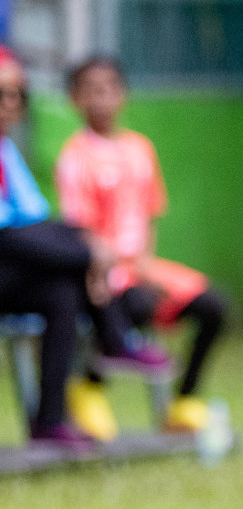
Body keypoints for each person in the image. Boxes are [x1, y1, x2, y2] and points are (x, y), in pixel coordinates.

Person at [0, 48, 165, 452]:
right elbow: (9, 234)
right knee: (73, 256)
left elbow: (36, 218)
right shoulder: (72, 155)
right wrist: (90, 255)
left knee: (64, 291)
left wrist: (90, 244)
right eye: (2, 95)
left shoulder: (6, 152)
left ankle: (50, 421)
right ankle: (115, 336)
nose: (11, 105)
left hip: (13, 266)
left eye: (17, 96)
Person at [56, 56, 227, 435]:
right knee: (132, 305)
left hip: (143, 266)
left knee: (213, 306)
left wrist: (147, 268)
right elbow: (79, 228)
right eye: (90, 92)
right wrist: (119, 269)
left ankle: (185, 401)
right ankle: (89, 387)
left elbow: (148, 216)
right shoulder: (75, 156)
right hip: (104, 272)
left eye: (108, 90)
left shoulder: (139, 149)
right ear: (75, 99)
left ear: (123, 95)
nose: (100, 100)